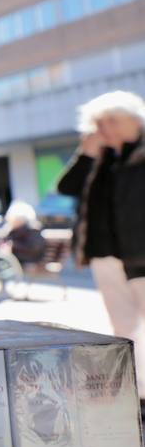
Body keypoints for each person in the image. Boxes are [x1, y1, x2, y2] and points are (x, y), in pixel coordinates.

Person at [56, 90, 145, 399]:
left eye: (111, 120)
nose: (103, 128)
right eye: (98, 122)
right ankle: (136, 389)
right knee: (123, 326)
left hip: (140, 254)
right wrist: (85, 154)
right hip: (105, 253)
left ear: (132, 120)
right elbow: (65, 186)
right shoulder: (101, 158)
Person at [0, 201, 47, 268]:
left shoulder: (32, 230)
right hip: (21, 258)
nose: (11, 221)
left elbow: (34, 248)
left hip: (30, 259)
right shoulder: (16, 229)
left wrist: (12, 246)